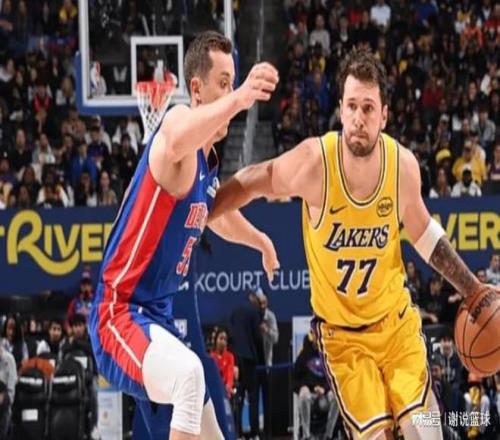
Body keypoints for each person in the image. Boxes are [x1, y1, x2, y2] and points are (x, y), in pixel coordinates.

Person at [210, 49, 500, 439]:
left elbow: (425, 235)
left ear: (384, 115)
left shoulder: (402, 166)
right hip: (343, 339)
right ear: (341, 111)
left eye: (368, 108)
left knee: (426, 430)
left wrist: (473, 288)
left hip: (396, 326)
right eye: (351, 106)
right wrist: (202, 209)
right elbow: (254, 179)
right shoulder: (315, 163)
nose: (359, 118)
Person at [89, 30, 279, 440]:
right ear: (196, 89)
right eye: (223, 83)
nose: (231, 92)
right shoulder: (176, 124)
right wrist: (242, 97)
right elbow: (176, 136)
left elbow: (211, 215)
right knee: (190, 375)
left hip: (154, 320)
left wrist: (260, 240)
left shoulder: (207, 165)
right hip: (117, 314)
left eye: (233, 82)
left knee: (208, 424)